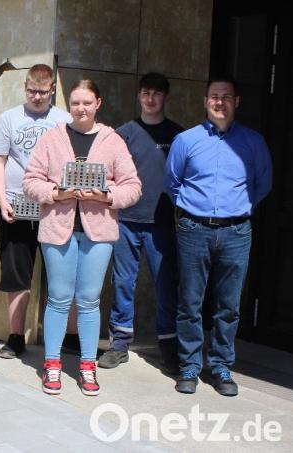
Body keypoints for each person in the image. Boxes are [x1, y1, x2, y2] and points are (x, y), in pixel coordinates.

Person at [24, 79, 141, 396]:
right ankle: (52, 364)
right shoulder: (52, 137)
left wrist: (106, 196)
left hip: (98, 231)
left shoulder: (112, 140)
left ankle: (88, 365)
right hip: (57, 229)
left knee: (89, 300)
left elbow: (133, 186)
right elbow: (30, 181)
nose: (81, 108)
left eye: (87, 102)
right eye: (75, 102)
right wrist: (56, 192)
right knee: (59, 298)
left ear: (98, 104)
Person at [165, 76, 272, 396]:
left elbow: (263, 184)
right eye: (214, 96)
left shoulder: (253, 142)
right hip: (194, 229)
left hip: (236, 231)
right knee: (190, 302)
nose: (220, 102)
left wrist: (235, 210)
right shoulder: (186, 140)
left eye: (226, 96)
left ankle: (222, 366)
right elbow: (173, 183)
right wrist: (194, 211)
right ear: (205, 101)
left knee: (228, 305)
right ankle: (189, 366)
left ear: (237, 101)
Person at [99, 73, 183, 374]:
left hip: (161, 222)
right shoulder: (124, 134)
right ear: (138, 96)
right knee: (123, 282)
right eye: (145, 93)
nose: (150, 99)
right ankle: (119, 344)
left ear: (165, 98)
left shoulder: (178, 136)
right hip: (127, 221)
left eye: (156, 94)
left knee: (165, 284)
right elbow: (108, 174)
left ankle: (169, 345)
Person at [0, 64, 71, 359]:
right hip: (16, 206)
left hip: (54, 208)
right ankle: (15, 336)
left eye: (43, 92)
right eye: (31, 91)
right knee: (16, 275)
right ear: (25, 88)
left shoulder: (65, 120)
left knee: (62, 274)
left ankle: (67, 337)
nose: (37, 97)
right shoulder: (9, 118)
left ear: (52, 90)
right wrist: (2, 200)